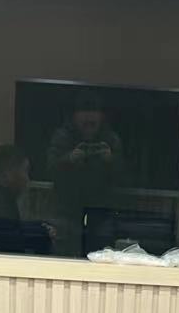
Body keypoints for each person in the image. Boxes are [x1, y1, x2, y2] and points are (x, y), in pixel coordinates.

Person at [46, 97, 123, 255]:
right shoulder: (63, 137)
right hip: (66, 208)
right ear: (75, 116)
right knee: (64, 254)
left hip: (102, 209)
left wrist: (111, 160)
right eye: (84, 113)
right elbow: (49, 170)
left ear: (101, 117)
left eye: (93, 114)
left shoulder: (110, 139)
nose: (88, 118)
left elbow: (125, 178)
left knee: (102, 254)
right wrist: (69, 159)